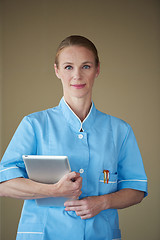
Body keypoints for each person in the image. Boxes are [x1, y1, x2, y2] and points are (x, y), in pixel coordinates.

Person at [0, 35, 147, 240]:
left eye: (85, 66)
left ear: (97, 70)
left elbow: (136, 188)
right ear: (57, 71)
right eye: (68, 67)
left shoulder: (120, 130)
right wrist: (53, 190)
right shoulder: (34, 125)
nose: (77, 75)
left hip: (100, 234)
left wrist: (102, 202)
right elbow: (4, 185)